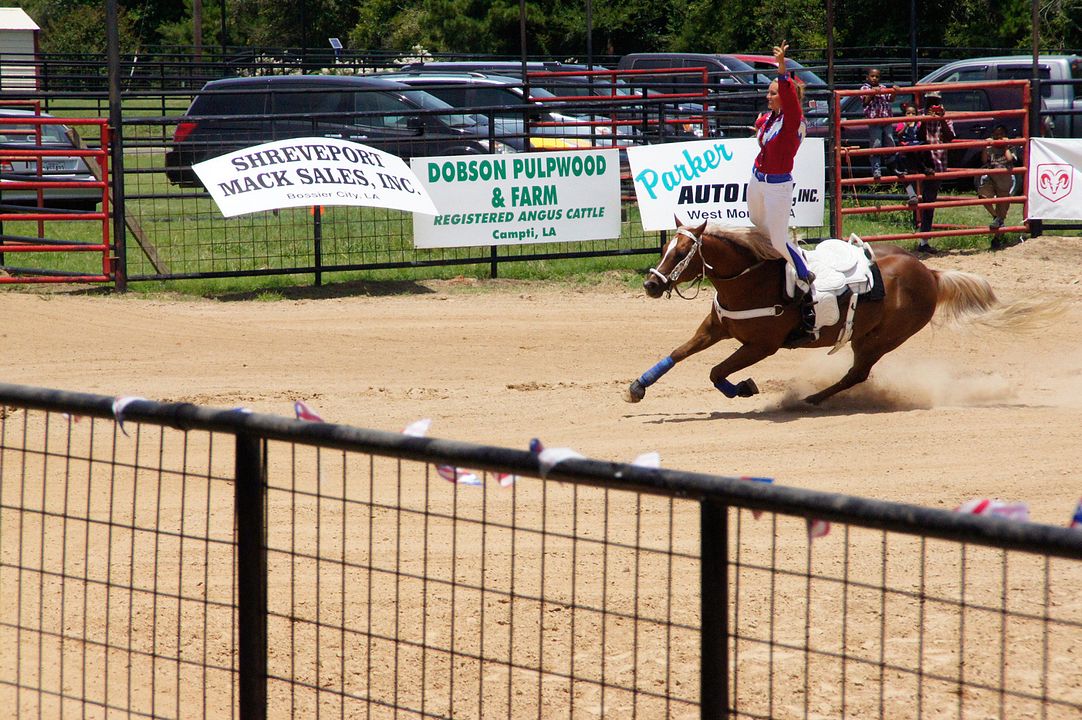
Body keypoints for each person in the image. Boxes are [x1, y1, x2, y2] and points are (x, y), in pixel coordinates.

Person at [747, 40, 819, 345]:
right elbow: (763, 128)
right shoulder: (772, 119)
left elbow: (789, 101)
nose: (767, 95)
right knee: (756, 223)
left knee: (777, 238)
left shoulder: (792, 120)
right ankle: (777, 263)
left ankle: (804, 273)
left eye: (772, 92)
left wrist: (782, 69)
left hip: (777, 183)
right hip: (758, 177)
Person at [915, 91, 955, 254]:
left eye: (935, 102)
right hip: (920, 161)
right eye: (930, 102)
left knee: (929, 201)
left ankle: (924, 240)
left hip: (937, 162)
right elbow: (917, 135)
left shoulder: (945, 117)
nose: (933, 105)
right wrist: (926, 119)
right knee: (921, 199)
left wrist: (941, 119)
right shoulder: (918, 116)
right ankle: (922, 237)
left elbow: (950, 136)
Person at [977, 124, 1016, 241]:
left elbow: (1009, 159)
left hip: (1004, 177)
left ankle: (997, 238)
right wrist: (985, 146)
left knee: (1002, 206)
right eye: (996, 134)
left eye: (1001, 134)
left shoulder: (1010, 146)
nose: (999, 137)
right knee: (983, 196)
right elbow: (984, 160)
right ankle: (996, 217)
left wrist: (1005, 146)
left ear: (1005, 136)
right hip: (991, 176)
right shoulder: (990, 147)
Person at [860, 68, 897, 181]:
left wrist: (894, 91)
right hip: (874, 121)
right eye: (872, 76)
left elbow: (890, 99)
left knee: (890, 142)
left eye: (877, 77)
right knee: (876, 144)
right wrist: (872, 93)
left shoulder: (883, 88)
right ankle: (876, 169)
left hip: (886, 120)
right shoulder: (864, 88)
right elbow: (865, 102)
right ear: (868, 77)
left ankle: (893, 166)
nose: (875, 78)